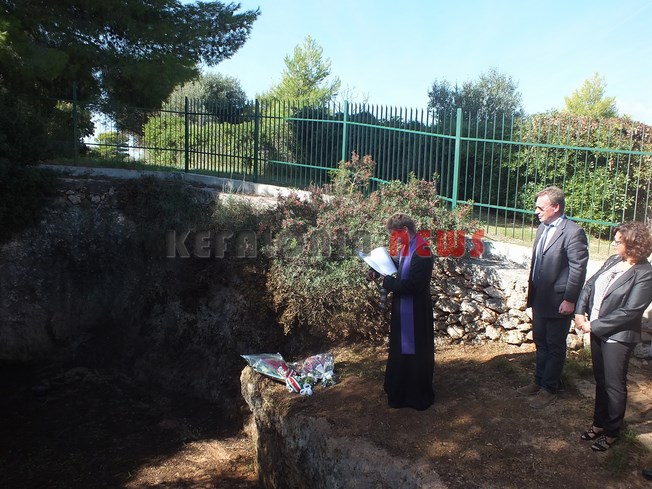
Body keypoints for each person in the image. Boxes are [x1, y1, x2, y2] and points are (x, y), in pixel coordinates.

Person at [575, 222, 652, 452]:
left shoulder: (646, 274)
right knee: (600, 380)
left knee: (614, 385)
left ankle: (611, 432)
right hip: (596, 330)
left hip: (618, 337)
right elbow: (590, 284)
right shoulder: (613, 261)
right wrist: (579, 311)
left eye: (618, 241)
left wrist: (593, 325)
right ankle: (598, 424)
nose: (613, 244)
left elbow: (630, 311)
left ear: (634, 245)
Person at [517, 186, 589, 409]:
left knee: (555, 346)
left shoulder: (573, 232)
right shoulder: (542, 227)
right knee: (540, 342)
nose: (536, 212)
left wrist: (570, 299)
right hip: (540, 298)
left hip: (559, 301)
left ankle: (549, 389)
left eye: (541, 208)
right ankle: (538, 382)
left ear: (556, 207)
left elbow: (578, 269)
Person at [367, 213, 435, 410]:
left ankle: (415, 396)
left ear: (405, 230)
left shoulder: (423, 251)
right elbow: (396, 264)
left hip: (416, 311)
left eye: (395, 234)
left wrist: (387, 283)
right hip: (402, 308)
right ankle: (399, 392)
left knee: (415, 355)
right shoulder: (407, 246)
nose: (394, 239)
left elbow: (414, 285)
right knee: (401, 351)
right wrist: (376, 271)